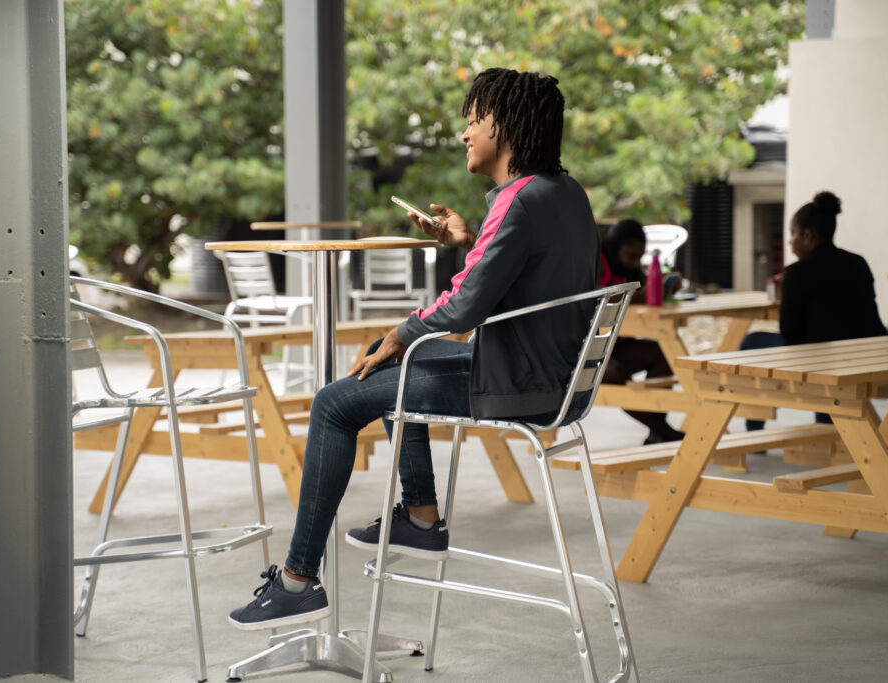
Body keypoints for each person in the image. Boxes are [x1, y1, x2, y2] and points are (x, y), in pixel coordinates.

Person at [229, 67, 601, 630]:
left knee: (335, 402)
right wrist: (470, 241)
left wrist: (401, 333)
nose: (464, 133)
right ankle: (421, 517)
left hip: (521, 385)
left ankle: (297, 581)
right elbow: (521, 270)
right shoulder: (564, 193)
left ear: (504, 125)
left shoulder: (517, 201)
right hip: (558, 377)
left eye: (473, 120)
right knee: (401, 364)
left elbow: (464, 309)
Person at [741, 190, 887, 430]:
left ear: (807, 235)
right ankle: (827, 424)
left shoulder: (797, 272)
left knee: (751, 343)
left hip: (823, 361)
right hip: (868, 355)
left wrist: (787, 292)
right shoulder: (857, 263)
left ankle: (754, 433)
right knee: (822, 349)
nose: (790, 241)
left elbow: (790, 332)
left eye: (792, 233)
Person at [597, 219, 685, 444]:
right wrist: (639, 295)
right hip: (586, 353)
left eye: (639, 256)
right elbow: (595, 299)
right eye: (630, 255)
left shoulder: (630, 268)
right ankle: (665, 432)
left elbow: (647, 291)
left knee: (663, 353)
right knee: (613, 373)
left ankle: (658, 433)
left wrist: (668, 284)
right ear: (614, 248)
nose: (634, 262)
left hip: (616, 345)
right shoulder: (594, 263)